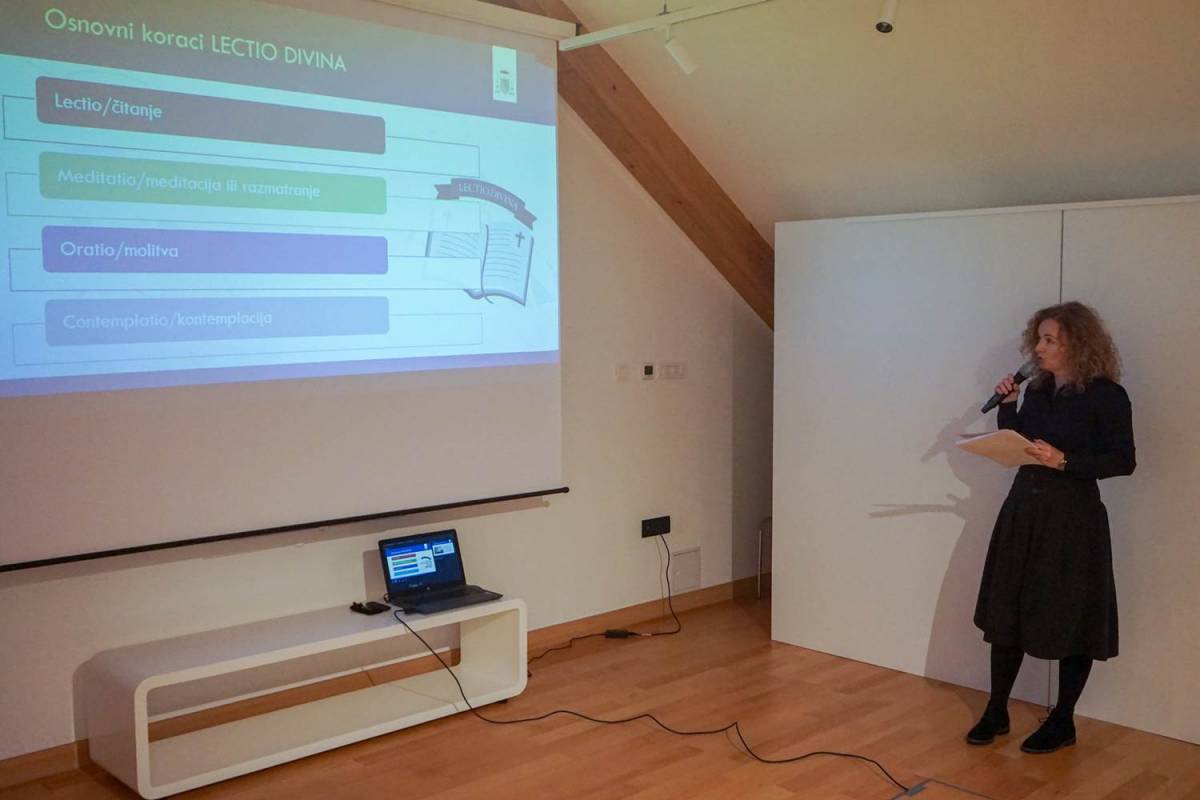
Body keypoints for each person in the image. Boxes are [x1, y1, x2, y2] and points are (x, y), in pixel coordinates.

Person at [967, 301, 1135, 754]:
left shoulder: (1107, 396)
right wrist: (1007, 408)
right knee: (1009, 607)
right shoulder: (1037, 390)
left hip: (1073, 518)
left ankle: (1063, 719)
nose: (1038, 349)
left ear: (1076, 343)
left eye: (1048, 340)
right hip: (1024, 509)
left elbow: (1123, 460)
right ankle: (996, 709)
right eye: (1037, 339)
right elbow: (1021, 443)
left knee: (1072, 613)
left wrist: (1065, 461)